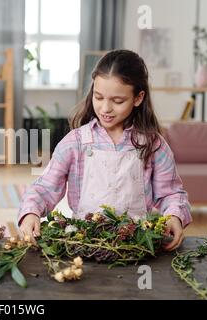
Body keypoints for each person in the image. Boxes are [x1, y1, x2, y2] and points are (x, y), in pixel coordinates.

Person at [18, 49, 191, 251]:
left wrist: (174, 216)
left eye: (117, 101)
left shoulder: (154, 145)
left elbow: (170, 194)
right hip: (84, 243)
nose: (105, 108)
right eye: (99, 97)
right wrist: (30, 212)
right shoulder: (75, 142)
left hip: (136, 247)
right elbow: (45, 187)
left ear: (138, 98)